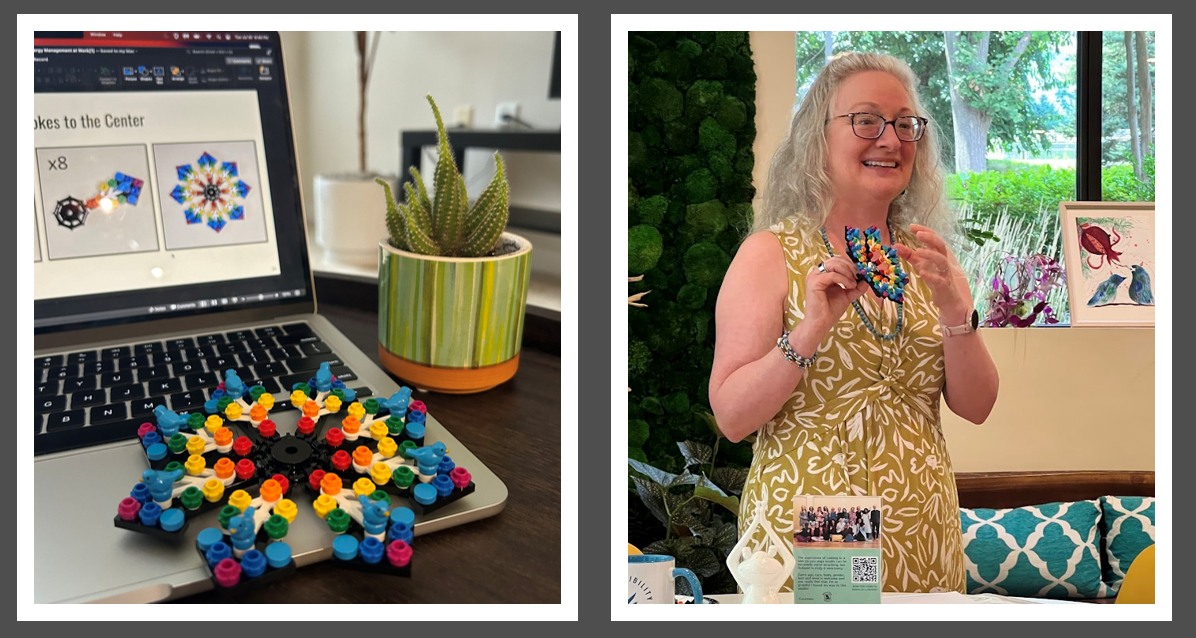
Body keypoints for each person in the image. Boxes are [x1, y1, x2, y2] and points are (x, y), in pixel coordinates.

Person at [710, 52, 999, 594]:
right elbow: (731, 417)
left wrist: (958, 312)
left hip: (924, 523)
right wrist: (809, 330)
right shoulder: (773, 254)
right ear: (817, 138)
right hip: (823, 513)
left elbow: (978, 407)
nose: (890, 140)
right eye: (866, 119)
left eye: (905, 124)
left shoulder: (928, 260)